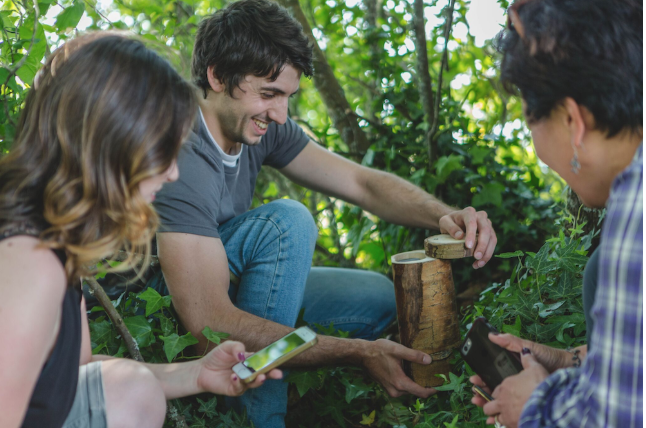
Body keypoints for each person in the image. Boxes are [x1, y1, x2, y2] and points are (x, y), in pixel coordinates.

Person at [152, 0, 498, 426]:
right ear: (217, 76)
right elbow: (209, 326)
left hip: (230, 283)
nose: (280, 115)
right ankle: (258, 418)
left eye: (288, 97)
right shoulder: (182, 153)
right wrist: (357, 352)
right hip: (179, 307)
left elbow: (361, 183)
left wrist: (443, 214)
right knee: (286, 224)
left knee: (376, 298)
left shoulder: (257, 124)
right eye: (269, 94)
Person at [0, 32, 280, 428]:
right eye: (163, 150)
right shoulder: (29, 265)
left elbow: (76, 371)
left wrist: (197, 373)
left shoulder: (55, 246)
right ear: (111, 142)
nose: (173, 173)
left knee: (133, 388)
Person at [469, 0, 642, 427]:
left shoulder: (636, 208)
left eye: (530, 119)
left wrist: (535, 406)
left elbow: (615, 418)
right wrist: (562, 360)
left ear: (572, 120)